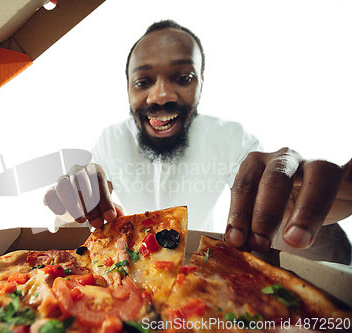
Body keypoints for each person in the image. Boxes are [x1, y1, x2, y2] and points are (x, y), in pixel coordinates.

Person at [44, 20, 352, 263]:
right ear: (128, 89)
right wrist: (73, 207)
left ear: (201, 84)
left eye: (182, 78)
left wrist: (292, 215)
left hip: (199, 276)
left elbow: (271, 202)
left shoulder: (229, 137)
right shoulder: (111, 140)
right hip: (127, 270)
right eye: (143, 82)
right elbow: (80, 221)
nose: (161, 95)